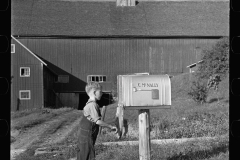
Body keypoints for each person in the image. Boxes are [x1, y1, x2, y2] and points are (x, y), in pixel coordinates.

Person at [77, 82, 117, 160]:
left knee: (83, 155)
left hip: (85, 134)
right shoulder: (93, 105)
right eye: (100, 92)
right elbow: (98, 121)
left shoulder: (89, 103)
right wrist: (110, 126)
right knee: (87, 156)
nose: (102, 94)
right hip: (87, 135)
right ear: (94, 92)